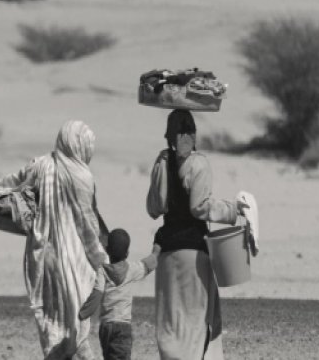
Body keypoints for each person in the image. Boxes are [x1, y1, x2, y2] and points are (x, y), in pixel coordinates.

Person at [0, 120, 109, 359]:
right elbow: (87, 225)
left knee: (53, 321)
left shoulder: (41, 164)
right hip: (73, 260)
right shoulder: (83, 177)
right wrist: (102, 259)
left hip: (43, 255)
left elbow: (12, 183)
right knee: (76, 322)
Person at [146, 109, 247, 360]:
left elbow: (154, 208)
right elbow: (199, 207)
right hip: (193, 254)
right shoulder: (199, 163)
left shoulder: (161, 162)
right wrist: (233, 210)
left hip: (166, 254)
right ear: (193, 134)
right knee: (194, 322)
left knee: (170, 323)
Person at [79, 229, 159, 360]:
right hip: (122, 327)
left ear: (107, 250)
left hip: (106, 327)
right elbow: (149, 264)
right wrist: (157, 249)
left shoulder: (102, 271)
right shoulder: (132, 269)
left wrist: (83, 313)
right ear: (127, 253)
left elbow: (96, 295)